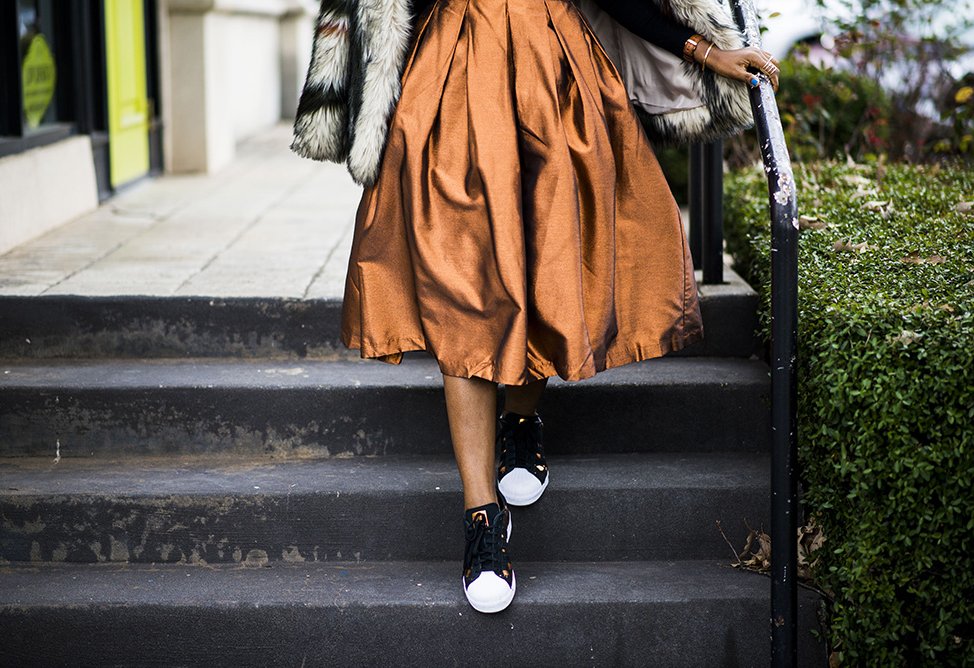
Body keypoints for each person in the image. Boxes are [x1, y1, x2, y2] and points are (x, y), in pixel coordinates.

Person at [295, 0, 780, 614]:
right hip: (447, 78)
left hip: (555, 74)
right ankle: (481, 516)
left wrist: (707, 51)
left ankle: (520, 421)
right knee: (461, 293)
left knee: (547, 264)